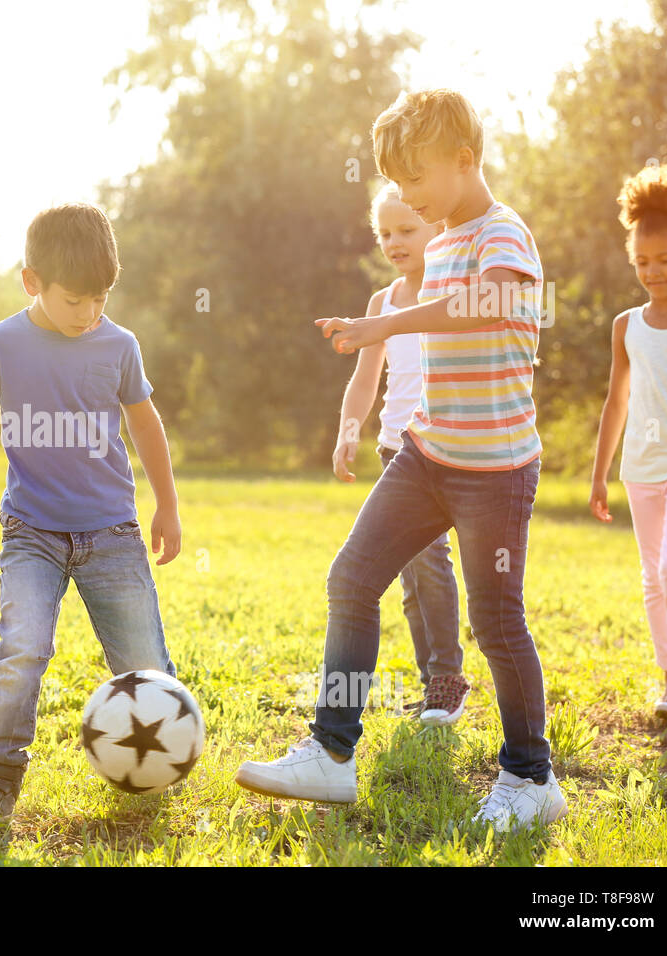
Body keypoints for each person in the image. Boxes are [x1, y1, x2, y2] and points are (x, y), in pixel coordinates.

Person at [237, 89, 567, 831]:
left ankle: (531, 777)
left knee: (495, 617)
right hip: (429, 455)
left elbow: (481, 305)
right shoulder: (442, 237)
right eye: (397, 182)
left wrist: (385, 321)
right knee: (352, 577)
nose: (408, 197)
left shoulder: (500, 234)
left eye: (415, 179)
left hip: (496, 471)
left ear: (464, 159)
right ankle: (331, 753)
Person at [0, 202, 183, 820]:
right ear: (30, 281)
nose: (90, 314)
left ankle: (162, 761)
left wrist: (166, 505)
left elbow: (145, 424)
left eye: (101, 298)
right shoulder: (1, 342)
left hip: (112, 533)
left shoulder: (118, 346)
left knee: (144, 660)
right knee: (23, 647)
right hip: (31, 532)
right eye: (75, 300)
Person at [333, 184, 467, 725]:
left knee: (431, 561)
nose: (395, 241)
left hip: (441, 450)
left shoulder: (451, 294)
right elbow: (365, 379)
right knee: (412, 578)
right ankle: (433, 683)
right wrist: (348, 431)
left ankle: (448, 679)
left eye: (407, 229)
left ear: (436, 227)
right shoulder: (381, 304)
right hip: (395, 453)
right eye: (385, 233)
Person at [590, 162, 667, 719]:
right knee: (651, 577)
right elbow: (617, 402)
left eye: (664, 261)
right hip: (640, 469)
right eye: (642, 262)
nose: (652, 272)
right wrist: (599, 474)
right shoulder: (626, 326)